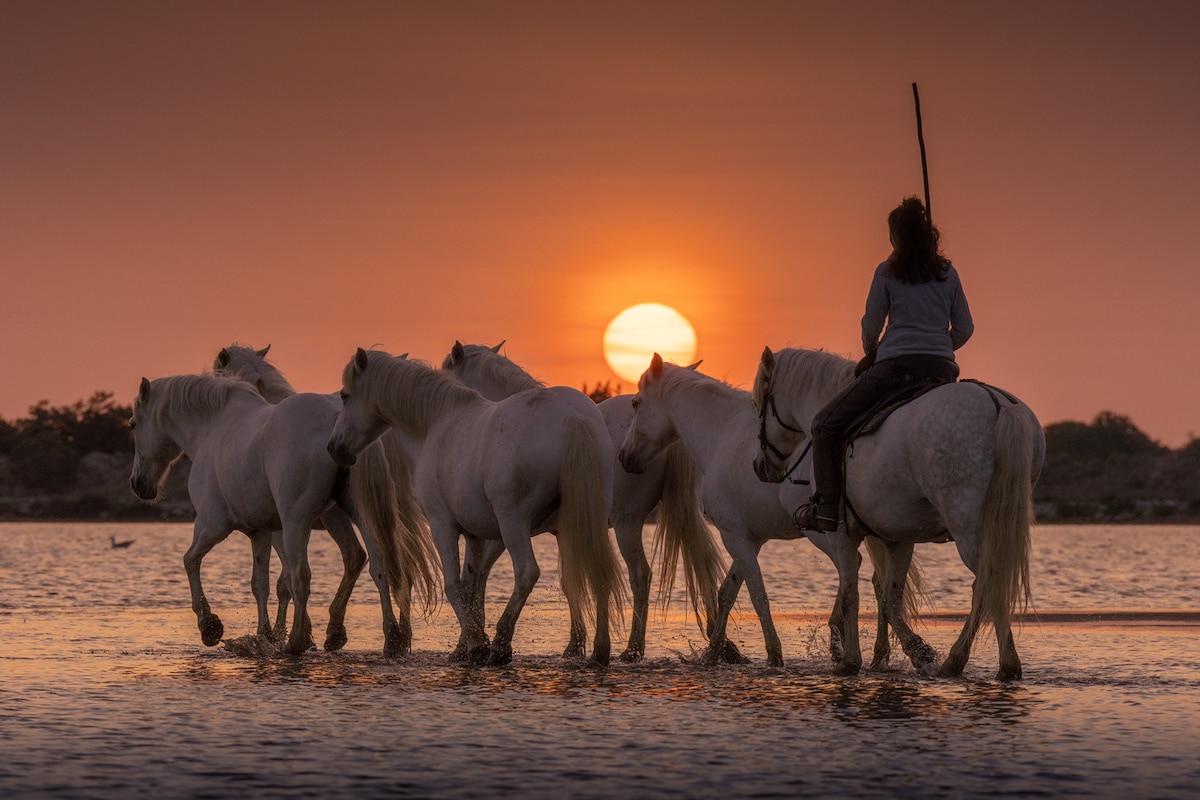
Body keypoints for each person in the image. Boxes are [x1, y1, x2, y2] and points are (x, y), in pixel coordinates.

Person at [794, 197, 973, 532]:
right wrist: (938, 347)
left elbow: (871, 326)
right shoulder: (949, 274)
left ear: (897, 238)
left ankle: (827, 510)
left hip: (894, 369)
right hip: (940, 371)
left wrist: (872, 350)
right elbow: (965, 328)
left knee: (824, 425)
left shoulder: (887, 271)